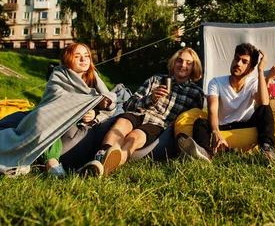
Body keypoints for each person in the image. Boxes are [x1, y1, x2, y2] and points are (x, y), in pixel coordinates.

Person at [0, 43, 116, 176]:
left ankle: (43, 162)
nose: (84, 59)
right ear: (68, 59)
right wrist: (88, 104)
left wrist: (95, 111)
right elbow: (57, 99)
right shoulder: (59, 75)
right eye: (77, 56)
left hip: (76, 124)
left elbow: (108, 101)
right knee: (47, 123)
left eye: (86, 56)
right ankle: (52, 165)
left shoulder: (94, 78)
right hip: (52, 114)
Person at [80, 47, 205, 176]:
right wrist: (151, 98)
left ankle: (108, 167)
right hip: (138, 113)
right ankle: (100, 158)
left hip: (158, 123)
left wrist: (176, 122)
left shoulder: (196, 93)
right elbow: (129, 104)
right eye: (179, 61)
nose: (183, 65)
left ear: (194, 67)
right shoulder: (155, 80)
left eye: (188, 63)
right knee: (120, 126)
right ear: (173, 63)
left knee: (133, 138)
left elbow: (190, 119)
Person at [177, 43, 275, 161]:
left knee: (265, 110)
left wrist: (260, 71)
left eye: (244, 62)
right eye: (236, 58)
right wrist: (216, 132)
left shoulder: (253, 83)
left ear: (250, 70)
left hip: (246, 123)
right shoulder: (216, 82)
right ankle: (204, 153)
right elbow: (212, 110)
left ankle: (267, 149)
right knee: (200, 123)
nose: (238, 63)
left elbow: (264, 102)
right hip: (223, 125)